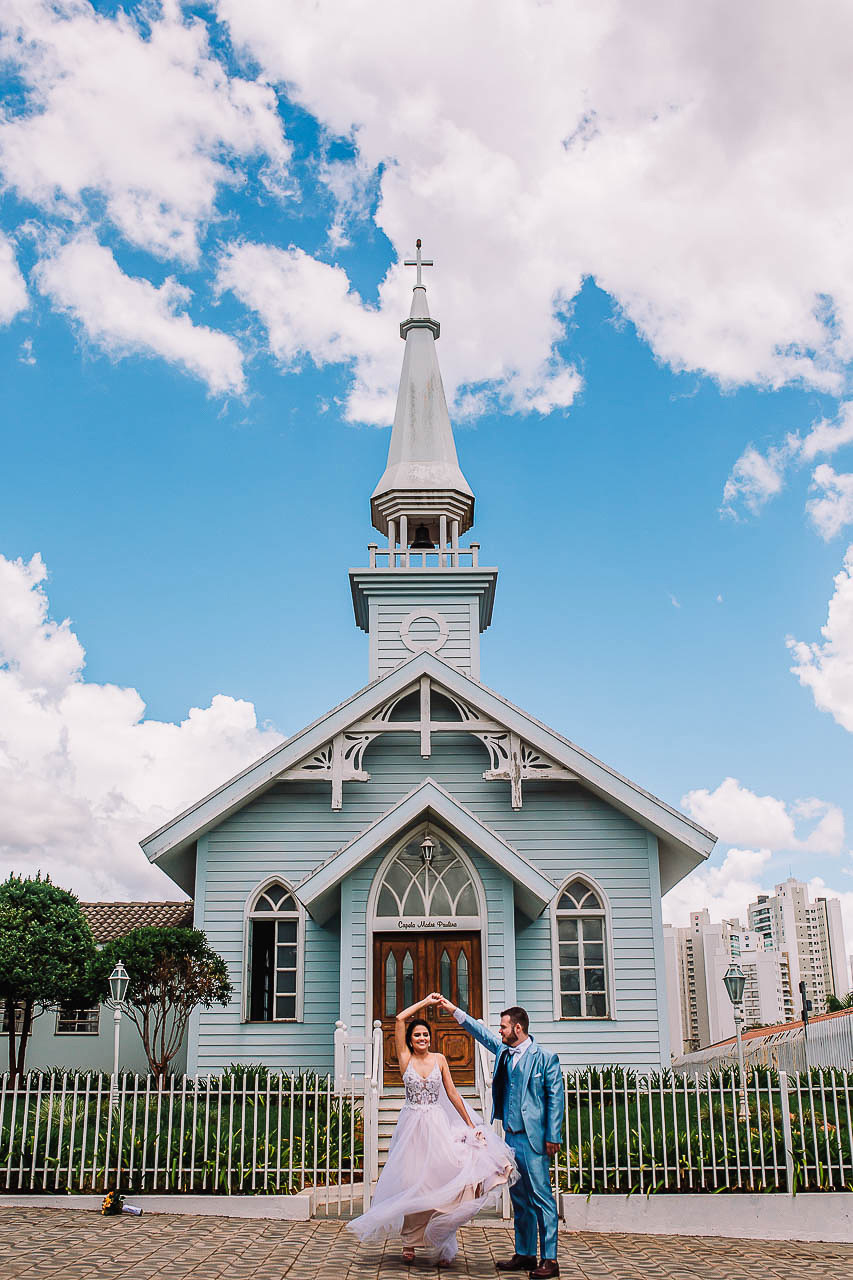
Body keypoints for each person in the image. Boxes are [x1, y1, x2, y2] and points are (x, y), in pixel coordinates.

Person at [347, 993, 517, 1265]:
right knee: (414, 1184)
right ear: (410, 1041)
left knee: (441, 1184)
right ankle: (410, 1243)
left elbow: (452, 1094)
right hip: (412, 1127)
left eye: (425, 1035)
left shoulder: (439, 1059)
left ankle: (443, 1244)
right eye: (417, 1036)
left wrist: (471, 1125)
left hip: (437, 1126)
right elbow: (401, 1018)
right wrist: (426, 1003)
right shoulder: (405, 1059)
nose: (422, 1039)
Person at [434, 995, 564, 1279]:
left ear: (518, 1029)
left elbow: (556, 1098)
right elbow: (481, 1035)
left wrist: (553, 1135)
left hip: (535, 1139)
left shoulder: (545, 1058)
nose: (500, 1032)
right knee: (519, 1198)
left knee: (541, 1198)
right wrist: (455, 1011)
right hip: (511, 1137)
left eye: (504, 1027)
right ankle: (526, 1254)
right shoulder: (505, 1053)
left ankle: (550, 1260)